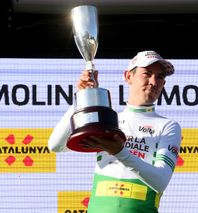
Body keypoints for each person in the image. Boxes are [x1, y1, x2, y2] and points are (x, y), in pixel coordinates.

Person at [48, 50, 182, 213]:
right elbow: (55, 145)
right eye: (147, 73)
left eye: (160, 77)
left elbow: (161, 181)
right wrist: (82, 99)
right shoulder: (109, 120)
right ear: (128, 77)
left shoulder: (168, 126)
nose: (153, 82)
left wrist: (120, 152)